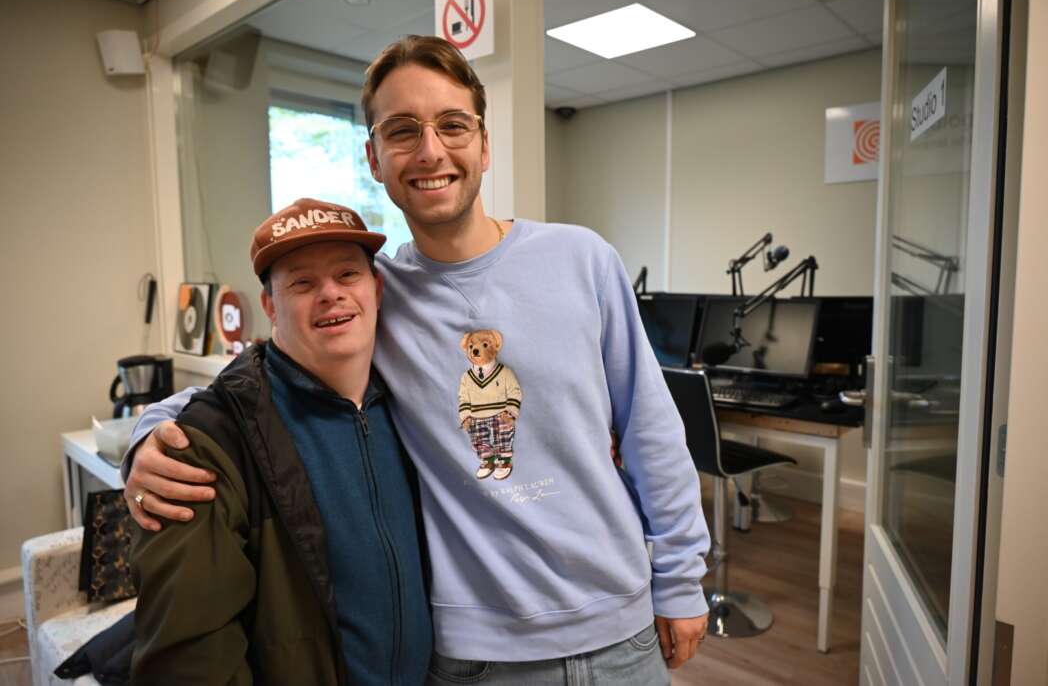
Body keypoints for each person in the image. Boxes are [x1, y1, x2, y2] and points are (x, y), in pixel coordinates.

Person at [124, 35, 710, 683]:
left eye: (452, 125)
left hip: (619, 629)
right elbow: (270, 375)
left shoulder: (582, 260)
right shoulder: (381, 296)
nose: (430, 151)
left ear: (484, 145)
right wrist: (153, 431)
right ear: (374, 158)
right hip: (477, 657)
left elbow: (651, 428)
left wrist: (681, 578)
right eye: (402, 131)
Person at [129, 200, 432, 685]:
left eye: (347, 274)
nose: (331, 294)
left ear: (376, 289)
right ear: (270, 306)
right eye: (302, 283)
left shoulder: (413, 403)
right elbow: (188, 656)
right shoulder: (207, 446)